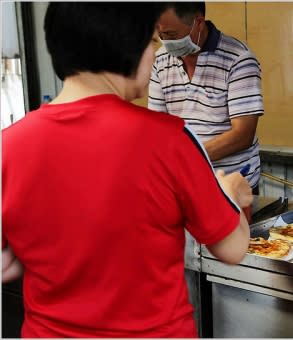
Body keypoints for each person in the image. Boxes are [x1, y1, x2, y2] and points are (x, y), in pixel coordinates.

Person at [2, 3, 252, 338]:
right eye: (151, 42)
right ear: (127, 45)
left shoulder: (8, 145)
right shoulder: (170, 139)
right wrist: (233, 196)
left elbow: (5, 263)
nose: (155, 55)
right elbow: (232, 249)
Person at [148, 2, 264, 194]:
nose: (165, 42)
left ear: (198, 23)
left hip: (231, 188)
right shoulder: (160, 60)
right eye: (160, 36)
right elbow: (158, 127)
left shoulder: (239, 59)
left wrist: (186, 157)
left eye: (171, 35)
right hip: (183, 184)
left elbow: (242, 135)